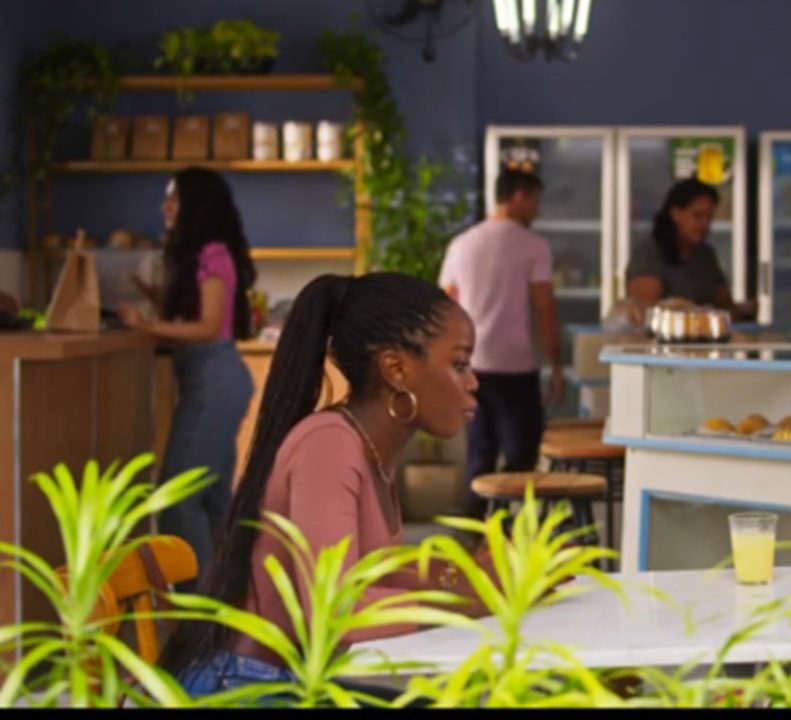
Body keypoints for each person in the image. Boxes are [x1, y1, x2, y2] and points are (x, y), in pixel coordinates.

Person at [158, 272, 493, 697]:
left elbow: (373, 576)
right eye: (460, 364)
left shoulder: (365, 447)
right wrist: (462, 602)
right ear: (396, 369)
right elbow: (333, 614)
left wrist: (474, 577)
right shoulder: (330, 447)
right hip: (249, 690)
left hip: (296, 681)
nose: (472, 381)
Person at [118, 167, 257, 590]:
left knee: (177, 498)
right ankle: (222, 608)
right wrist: (154, 298)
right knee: (213, 501)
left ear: (194, 205)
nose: (166, 207)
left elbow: (207, 326)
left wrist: (146, 325)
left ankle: (197, 612)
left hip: (214, 379)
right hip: (208, 379)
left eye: (174, 199)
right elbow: (202, 316)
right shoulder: (203, 254)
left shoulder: (213, 253)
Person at [439, 169, 563, 520]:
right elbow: (544, 308)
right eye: (536, 200)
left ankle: (473, 539)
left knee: (479, 451)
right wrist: (555, 364)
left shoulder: (462, 244)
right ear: (519, 196)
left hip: (470, 366)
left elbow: (445, 306)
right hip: (515, 367)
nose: (537, 210)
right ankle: (512, 535)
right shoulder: (533, 246)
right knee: (522, 455)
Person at [625, 177, 755, 319]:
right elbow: (645, 314)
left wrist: (743, 310)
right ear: (675, 214)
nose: (704, 224)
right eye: (697, 216)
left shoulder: (705, 255)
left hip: (705, 337)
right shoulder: (649, 253)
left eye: (709, 217)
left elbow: (724, 305)